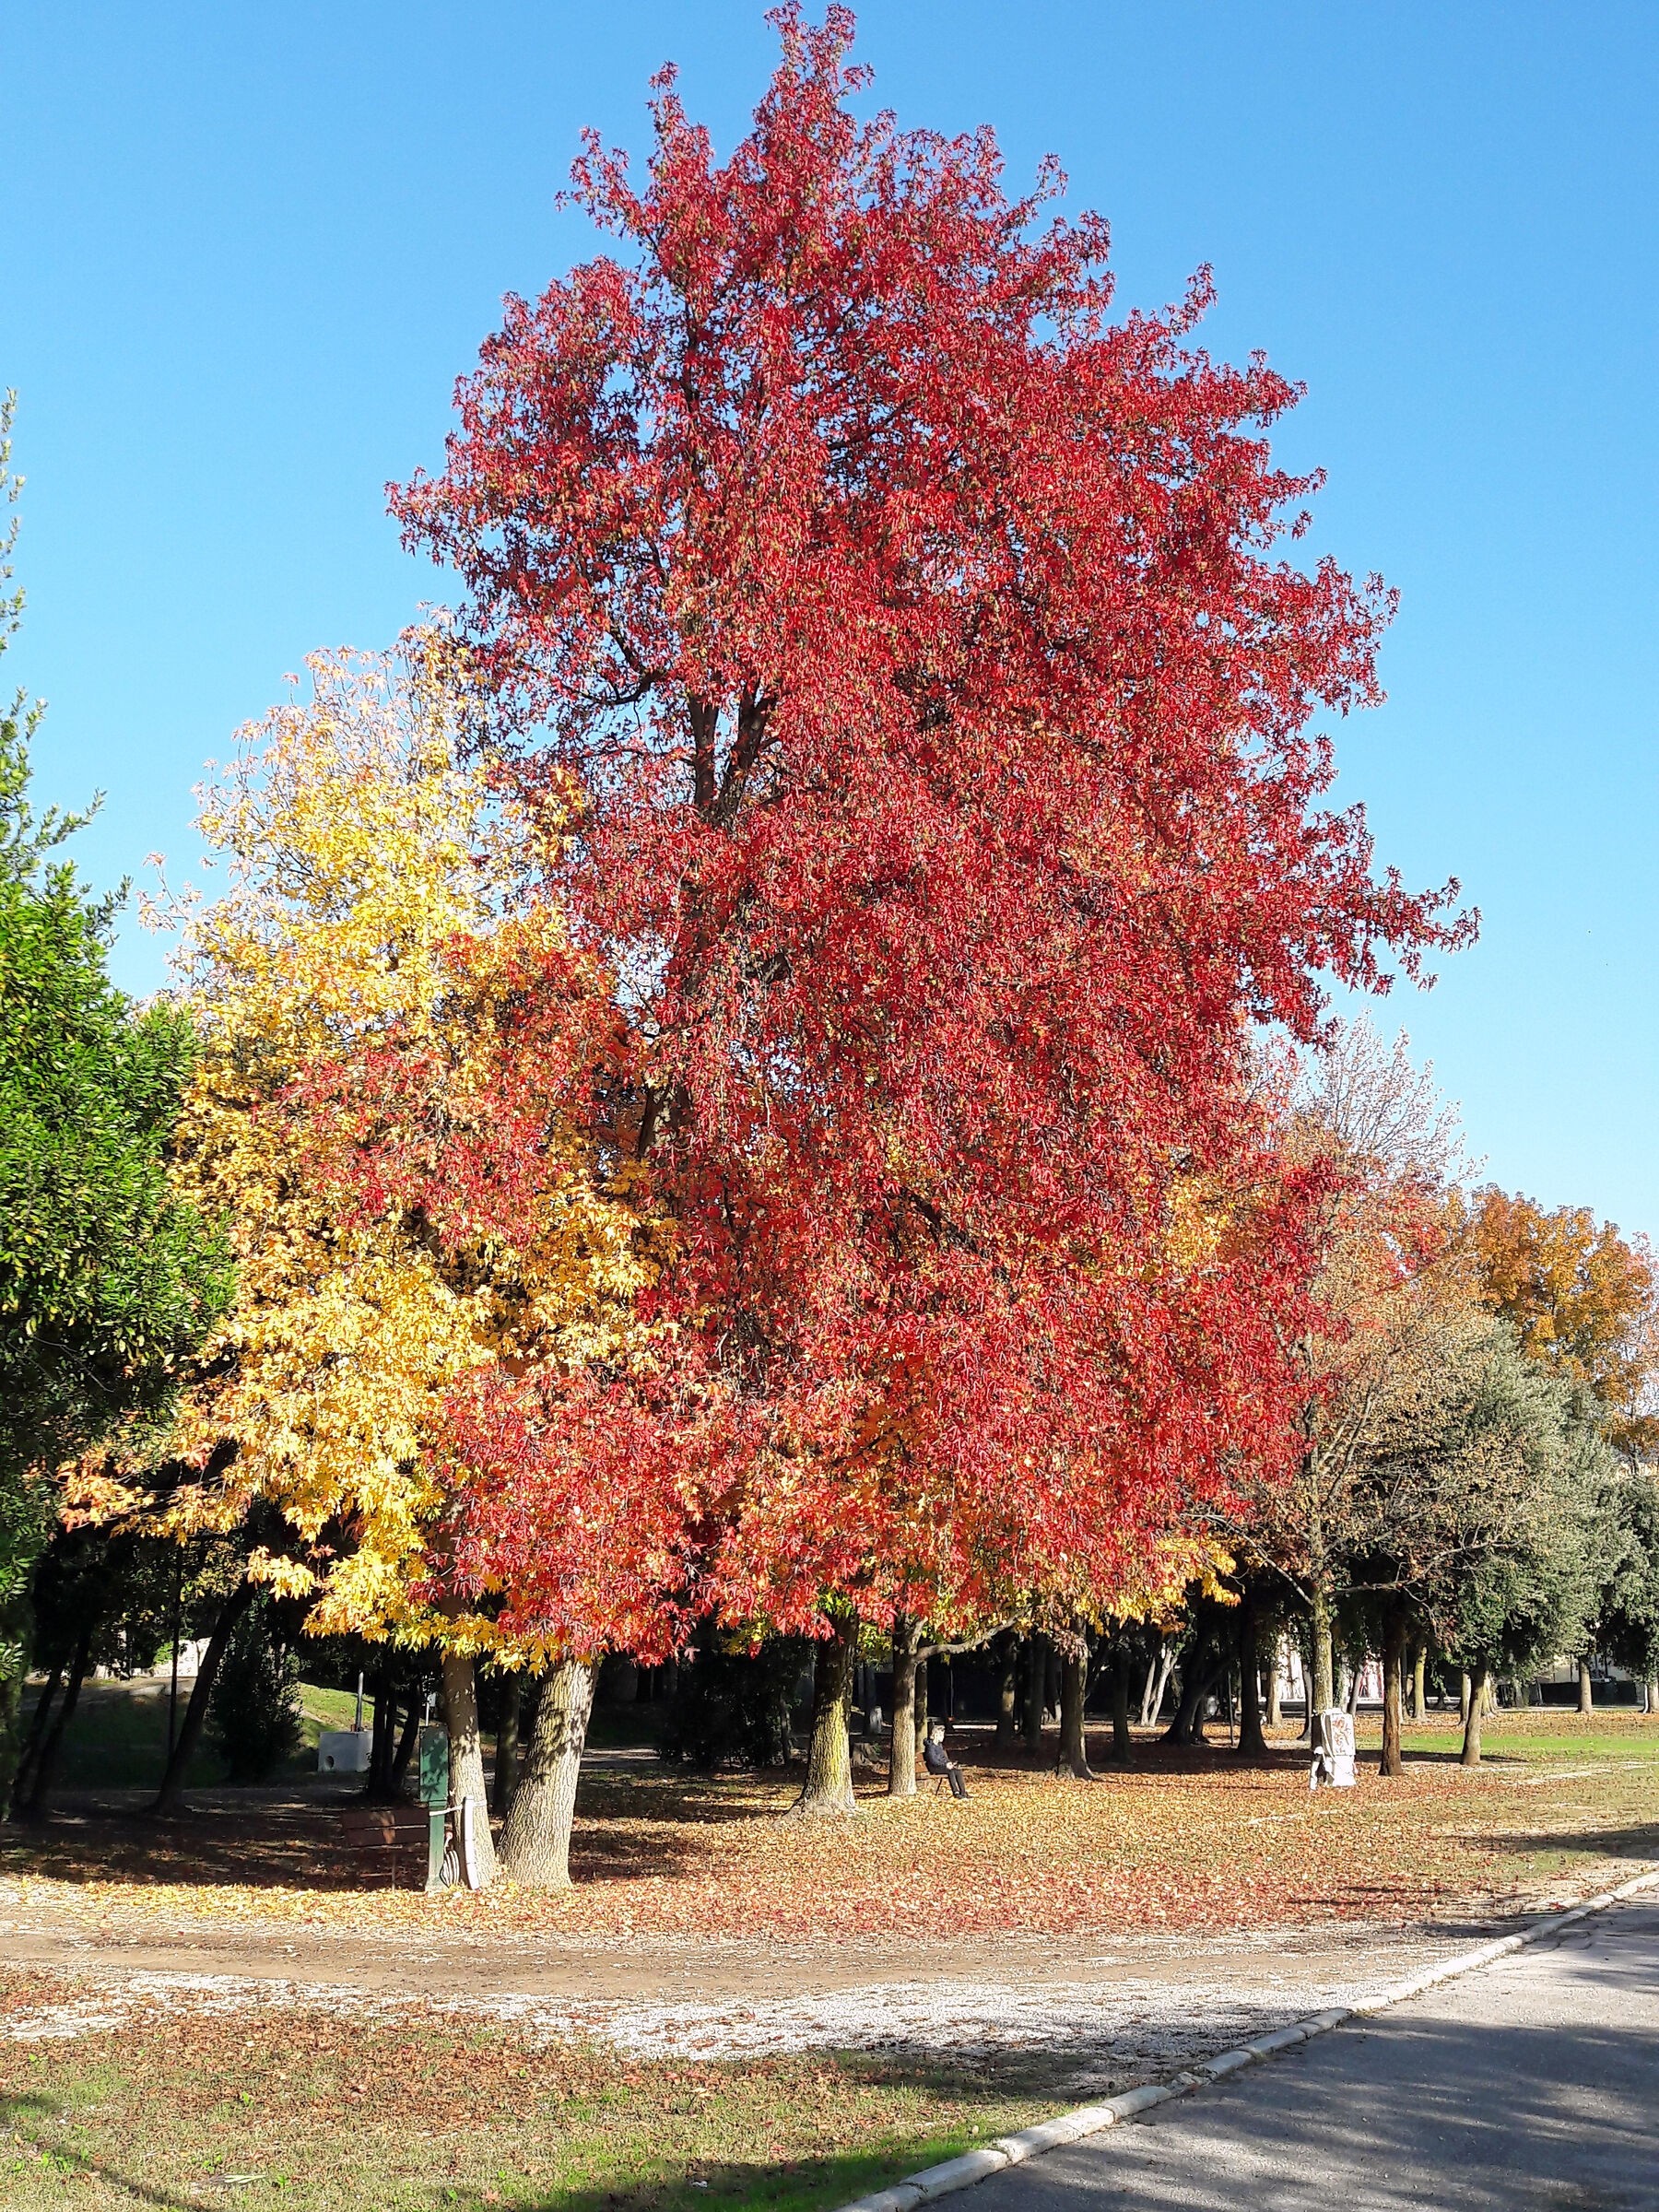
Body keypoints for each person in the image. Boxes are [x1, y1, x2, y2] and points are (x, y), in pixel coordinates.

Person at [923, 1719, 969, 1799]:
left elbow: (943, 1757)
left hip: (942, 1766)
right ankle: (956, 1792)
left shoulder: (939, 1746)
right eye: (941, 1735)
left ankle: (963, 1792)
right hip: (934, 1767)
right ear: (936, 1735)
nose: (943, 1737)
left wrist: (948, 1762)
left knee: (958, 1771)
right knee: (950, 1771)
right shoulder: (930, 1747)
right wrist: (945, 1765)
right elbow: (933, 1761)